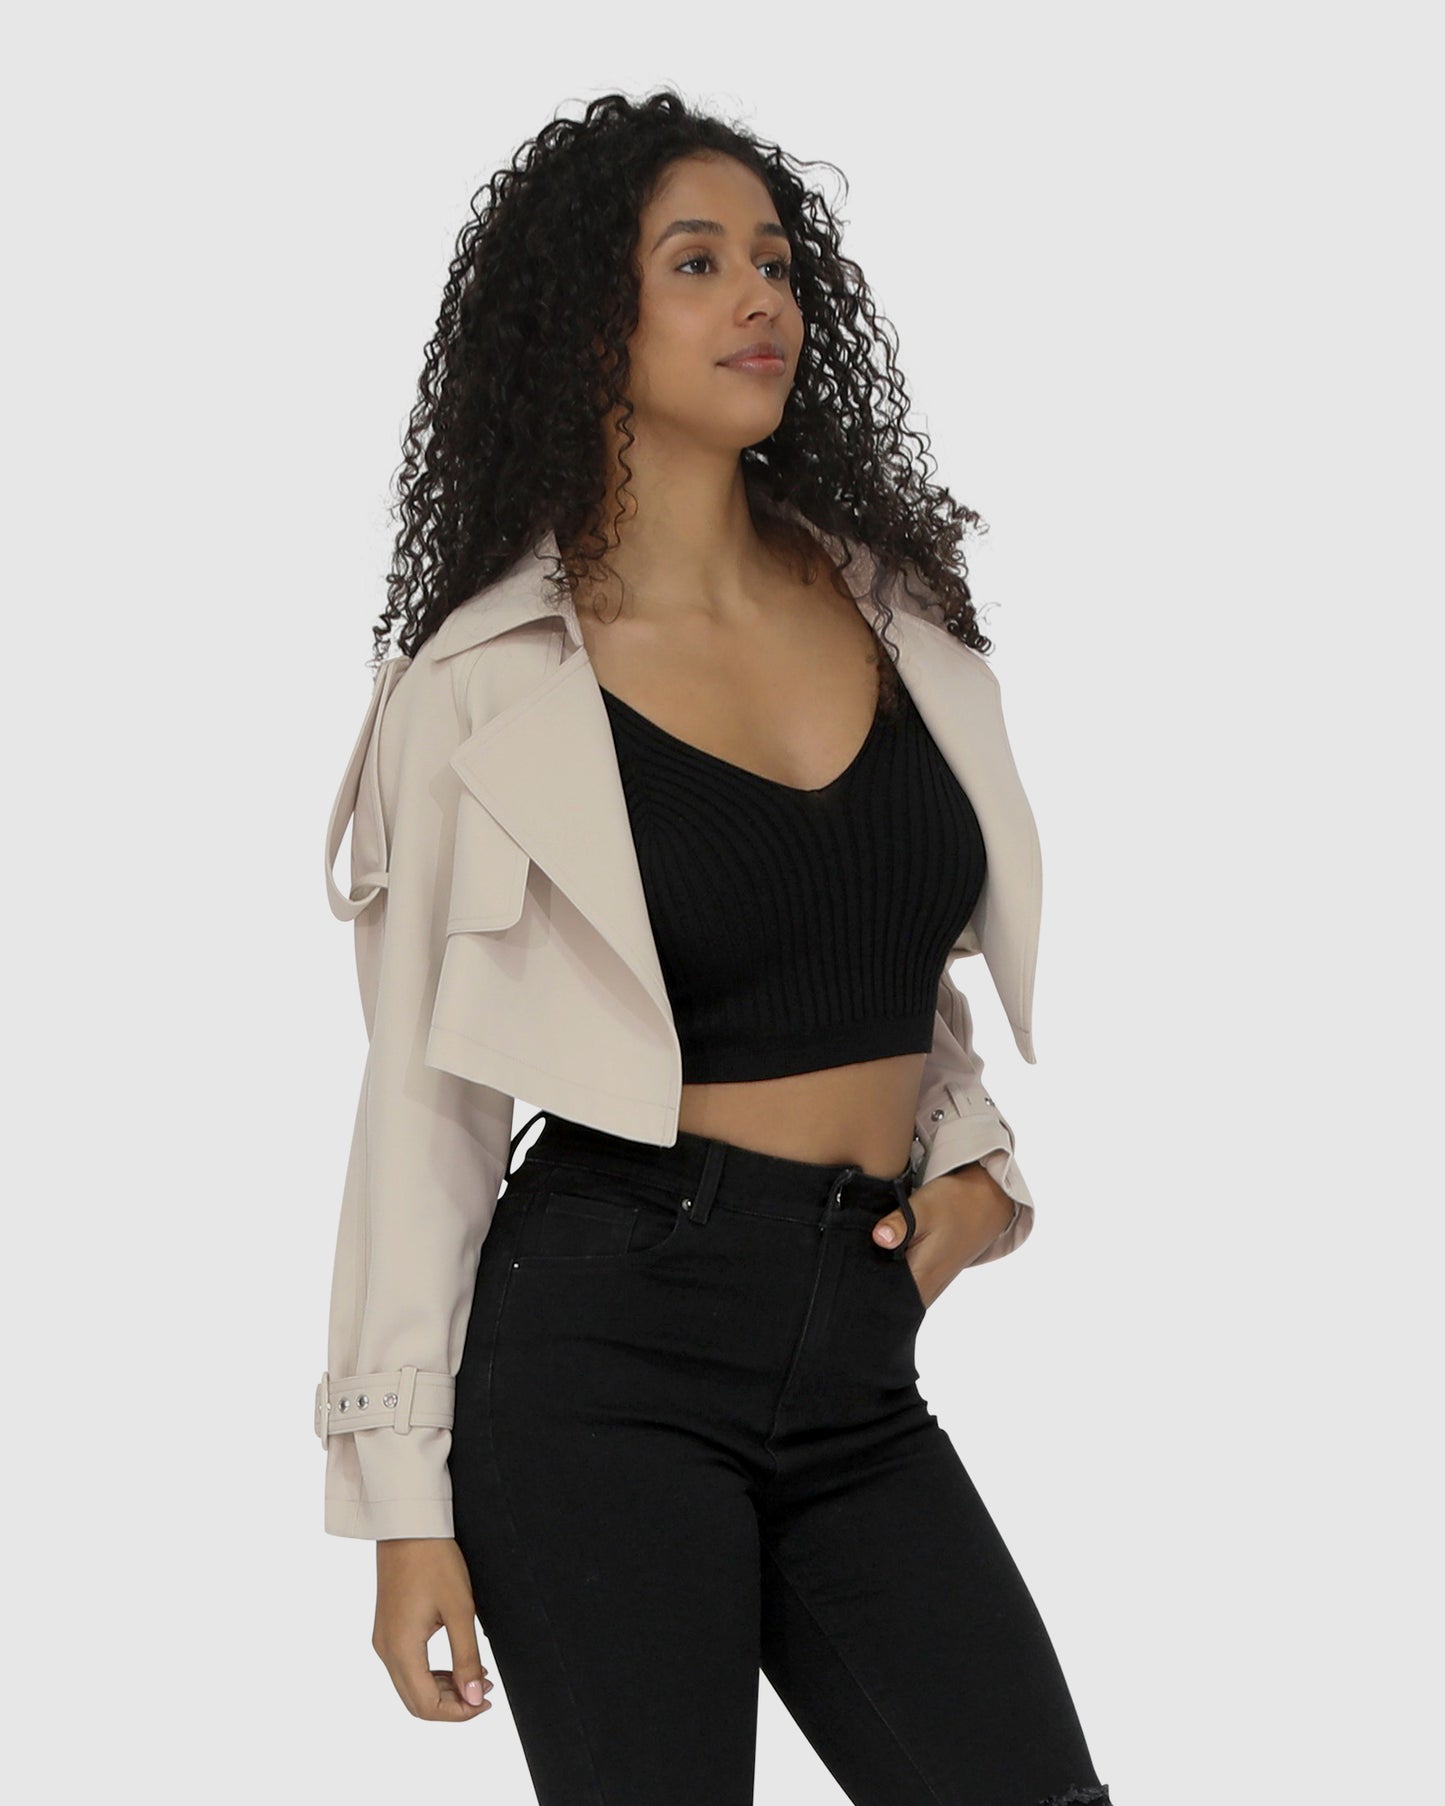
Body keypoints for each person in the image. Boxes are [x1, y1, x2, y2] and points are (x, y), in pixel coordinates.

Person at [315, 88, 1112, 1806]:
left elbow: (888, 957)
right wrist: (402, 1499)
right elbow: (424, 1105)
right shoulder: (484, 686)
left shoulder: (892, 610)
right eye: (696, 262)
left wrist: (971, 1169)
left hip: (854, 1349)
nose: (760, 296)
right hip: (601, 1347)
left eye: (775, 260)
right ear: (585, 323)